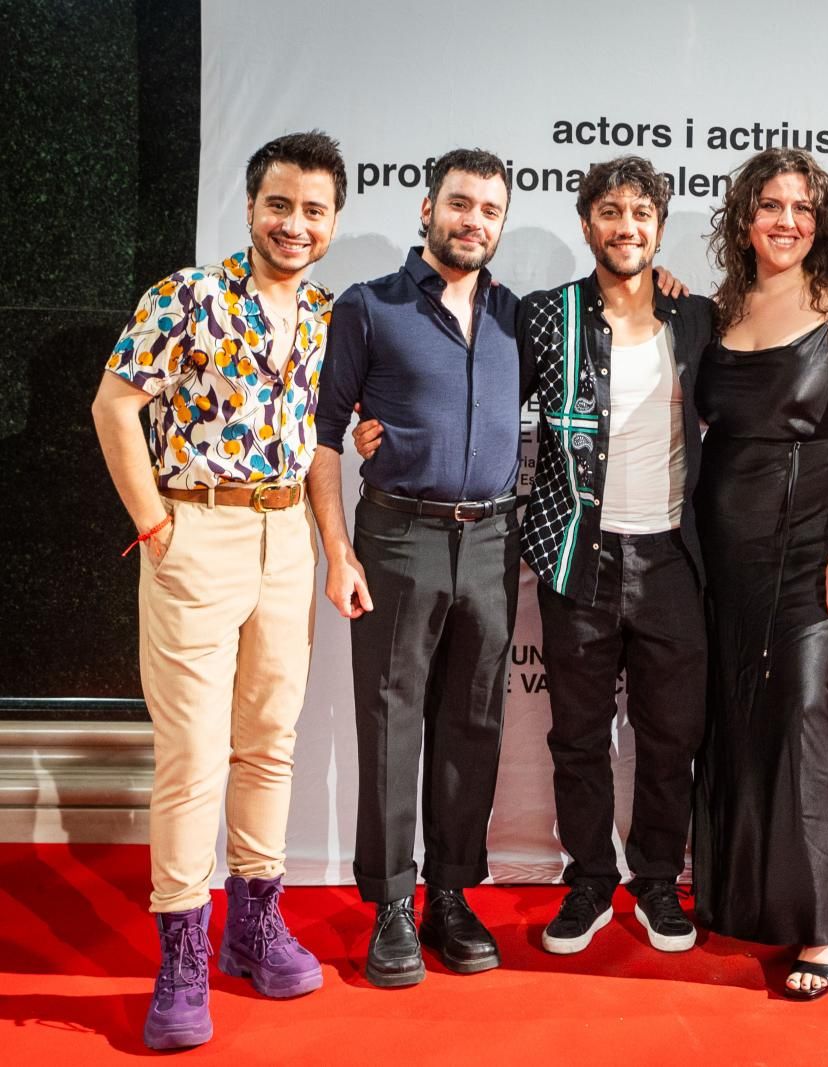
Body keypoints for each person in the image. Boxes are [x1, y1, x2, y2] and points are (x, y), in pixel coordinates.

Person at [91, 130, 344, 1049]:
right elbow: (114, 403)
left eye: (314, 209)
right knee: (193, 753)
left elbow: (325, 434)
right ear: (251, 208)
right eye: (280, 204)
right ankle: (182, 952)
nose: (295, 222)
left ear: (332, 222)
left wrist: (331, 524)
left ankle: (255, 922)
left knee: (270, 740)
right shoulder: (188, 295)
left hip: (288, 539)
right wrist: (156, 523)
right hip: (198, 527)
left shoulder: (323, 314)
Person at [309, 148, 519, 987]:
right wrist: (338, 548)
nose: (474, 221)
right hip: (399, 537)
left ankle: (451, 894)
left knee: (475, 723)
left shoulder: (515, 317)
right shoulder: (370, 307)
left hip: (494, 543)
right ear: (426, 210)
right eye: (460, 205)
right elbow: (327, 435)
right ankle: (392, 903)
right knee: (393, 723)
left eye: (490, 211)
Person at [691, 147, 828, 1001]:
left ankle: (822, 920)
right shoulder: (722, 308)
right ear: (745, 218)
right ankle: (745, 898)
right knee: (736, 719)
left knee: (804, 712)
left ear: (822, 222)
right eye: (770, 205)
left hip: (810, 547)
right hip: (721, 547)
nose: (786, 220)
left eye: (802, 208)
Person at [517, 157, 715, 959]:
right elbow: (485, 401)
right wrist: (383, 429)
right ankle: (591, 877)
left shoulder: (696, 318)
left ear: (660, 228)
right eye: (610, 211)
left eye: (641, 212)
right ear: (586, 222)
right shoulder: (545, 316)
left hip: (676, 556)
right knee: (578, 734)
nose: (626, 226)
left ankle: (658, 877)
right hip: (578, 555)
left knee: (670, 736)